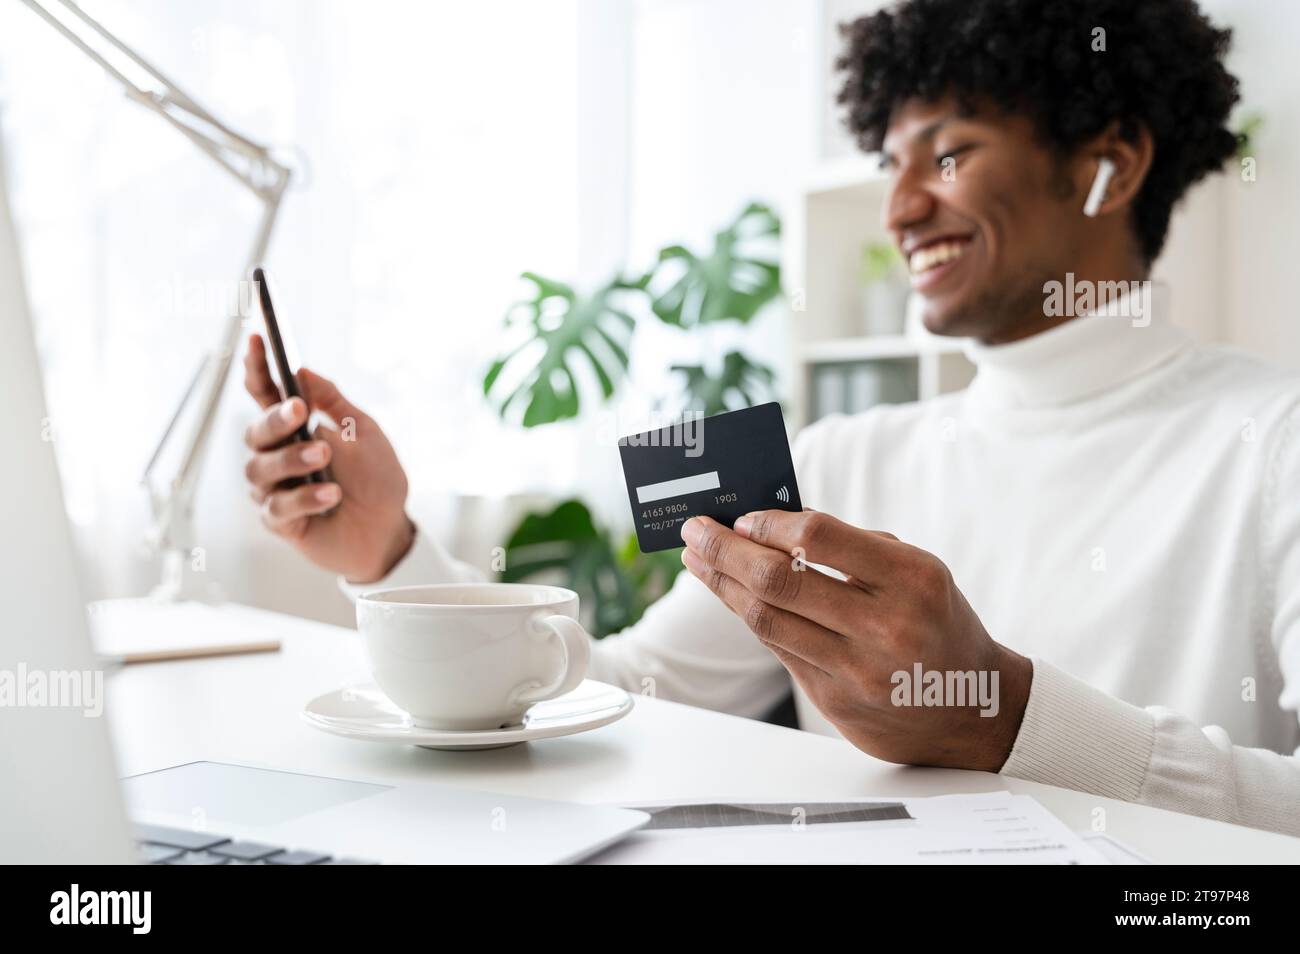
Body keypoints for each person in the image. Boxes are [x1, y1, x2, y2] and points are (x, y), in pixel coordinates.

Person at [242, 0, 1300, 836]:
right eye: (889, 166)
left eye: (945, 154)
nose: (898, 209)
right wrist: (386, 549)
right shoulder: (839, 461)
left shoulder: (1274, 443)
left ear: (1107, 164)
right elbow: (628, 688)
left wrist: (1009, 718)